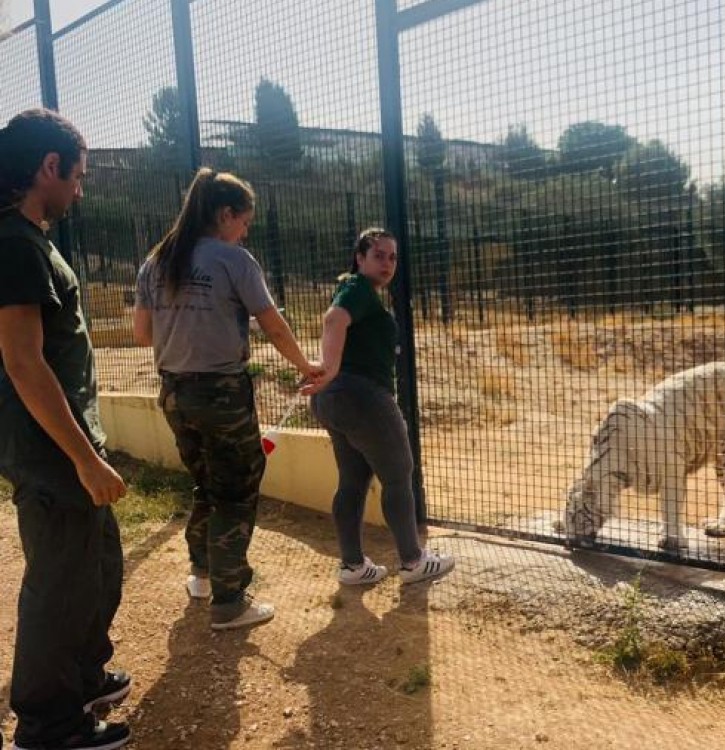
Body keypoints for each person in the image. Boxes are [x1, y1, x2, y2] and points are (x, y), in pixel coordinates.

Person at [132, 168, 320, 631]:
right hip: (221, 393)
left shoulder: (156, 260)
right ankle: (229, 600)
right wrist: (305, 365)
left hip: (174, 392)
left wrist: (193, 321)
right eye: (244, 222)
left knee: (206, 484)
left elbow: (142, 334)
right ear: (224, 214)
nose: (245, 232)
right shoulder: (234, 260)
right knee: (236, 491)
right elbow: (273, 326)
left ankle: (202, 574)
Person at [0, 109, 131, 750]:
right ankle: (48, 725)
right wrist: (83, 458)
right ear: (48, 167)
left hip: (64, 444)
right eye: (77, 177)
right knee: (59, 585)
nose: (79, 191)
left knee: (98, 567)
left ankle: (82, 678)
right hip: (50, 451)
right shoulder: (13, 244)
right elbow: (23, 362)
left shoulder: (29, 240)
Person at [303, 227, 454, 585]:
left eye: (393, 257)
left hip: (335, 399)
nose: (387, 263)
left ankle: (352, 566)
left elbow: (339, 325)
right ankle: (413, 561)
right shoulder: (357, 288)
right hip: (364, 397)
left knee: (352, 481)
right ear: (360, 258)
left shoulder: (356, 291)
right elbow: (333, 319)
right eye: (378, 255)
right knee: (399, 474)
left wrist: (330, 373)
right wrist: (331, 367)